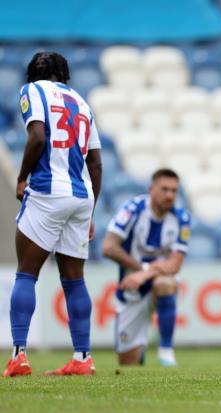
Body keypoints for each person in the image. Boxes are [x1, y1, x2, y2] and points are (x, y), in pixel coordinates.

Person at [3, 52, 102, 377]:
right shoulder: (82, 102)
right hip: (81, 195)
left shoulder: (33, 91)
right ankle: (83, 357)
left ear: (33, 74)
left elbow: (37, 137)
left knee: (26, 273)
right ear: (66, 74)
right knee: (74, 280)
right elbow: (96, 162)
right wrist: (90, 213)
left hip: (48, 190)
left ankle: (18, 356)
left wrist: (21, 178)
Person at [102, 168, 190, 367]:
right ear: (151, 189)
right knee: (128, 364)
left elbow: (175, 264)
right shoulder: (132, 209)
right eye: (164, 189)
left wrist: (146, 272)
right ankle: (138, 348)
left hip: (158, 278)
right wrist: (142, 270)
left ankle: (166, 350)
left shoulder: (181, 218)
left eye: (174, 191)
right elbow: (108, 247)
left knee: (166, 283)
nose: (170, 195)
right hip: (131, 286)